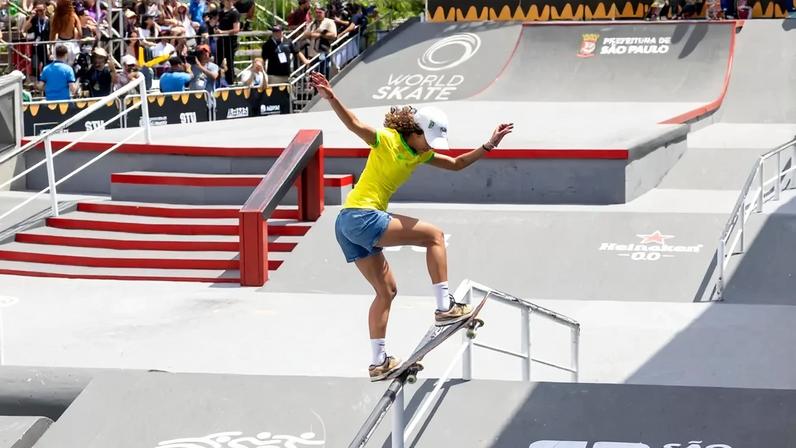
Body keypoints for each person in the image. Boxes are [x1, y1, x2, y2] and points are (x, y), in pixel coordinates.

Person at [309, 71, 514, 380]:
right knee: (434, 236)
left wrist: (490, 143)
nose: (427, 147)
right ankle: (445, 307)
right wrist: (332, 97)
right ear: (414, 130)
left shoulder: (421, 154)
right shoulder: (387, 139)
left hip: (347, 226)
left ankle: (379, 362)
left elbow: (457, 164)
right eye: (426, 140)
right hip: (361, 216)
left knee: (387, 291)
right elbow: (354, 124)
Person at [305, 4, 336, 78]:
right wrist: (312, 34)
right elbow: (306, 34)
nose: (318, 14)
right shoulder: (313, 23)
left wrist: (320, 35)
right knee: (314, 73)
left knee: (323, 71)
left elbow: (334, 35)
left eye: (320, 12)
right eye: (317, 12)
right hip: (313, 53)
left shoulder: (329, 22)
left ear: (324, 13)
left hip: (323, 51)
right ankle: (315, 88)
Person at [22, 1, 50, 80]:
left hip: (45, 46)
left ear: (45, 10)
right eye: (37, 11)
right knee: (35, 66)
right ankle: (36, 85)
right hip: (36, 46)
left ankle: (45, 83)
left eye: (41, 10)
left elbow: (51, 35)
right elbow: (24, 29)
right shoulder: (34, 19)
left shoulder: (48, 21)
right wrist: (31, 17)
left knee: (46, 66)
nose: (39, 13)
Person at [215, 0, 239, 86]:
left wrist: (223, 32)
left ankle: (230, 83)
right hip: (220, 41)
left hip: (230, 42)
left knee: (229, 63)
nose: (228, 2)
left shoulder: (235, 13)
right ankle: (216, 82)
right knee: (217, 62)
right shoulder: (220, 12)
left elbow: (236, 29)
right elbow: (217, 23)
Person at [49, 0, 81, 65]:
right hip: (71, 45)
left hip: (59, 44)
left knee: (58, 65)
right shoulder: (73, 16)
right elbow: (80, 32)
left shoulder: (55, 17)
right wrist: (77, 41)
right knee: (70, 66)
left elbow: (52, 33)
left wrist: (51, 44)